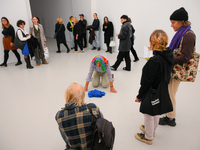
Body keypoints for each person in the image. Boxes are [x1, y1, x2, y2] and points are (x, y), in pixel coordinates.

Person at [135, 30, 174, 145]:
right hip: (162, 89)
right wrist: (155, 53)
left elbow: (146, 81)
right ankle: (152, 130)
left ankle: (148, 137)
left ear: (153, 43)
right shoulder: (168, 55)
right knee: (156, 111)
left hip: (151, 90)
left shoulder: (154, 61)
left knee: (148, 113)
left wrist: (139, 95)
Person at [159, 7, 196, 127]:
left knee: (170, 94)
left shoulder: (188, 36)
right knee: (170, 92)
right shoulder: (182, 33)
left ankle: (171, 118)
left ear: (182, 22)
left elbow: (185, 57)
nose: (171, 25)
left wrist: (167, 58)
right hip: (173, 69)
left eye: (173, 22)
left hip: (177, 71)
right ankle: (170, 114)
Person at [55, 82, 103, 150]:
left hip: (74, 148)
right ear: (82, 96)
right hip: (93, 146)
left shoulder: (59, 115)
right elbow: (102, 122)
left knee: (61, 127)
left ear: (67, 96)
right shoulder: (92, 108)